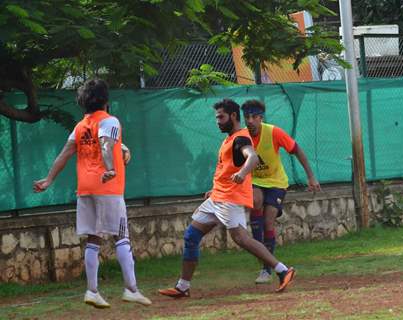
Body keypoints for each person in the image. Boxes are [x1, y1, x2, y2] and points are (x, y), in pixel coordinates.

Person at [158, 99, 295, 298]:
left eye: (221, 117)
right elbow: (225, 169)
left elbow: (253, 157)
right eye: (216, 118)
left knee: (242, 239)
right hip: (217, 198)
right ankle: (183, 286)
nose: (217, 121)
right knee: (191, 236)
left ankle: (283, 270)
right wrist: (213, 190)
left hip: (230, 199)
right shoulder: (229, 139)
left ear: (232, 116)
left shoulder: (240, 138)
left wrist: (242, 174)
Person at [33, 79, 151, 308]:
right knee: (121, 236)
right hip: (107, 188)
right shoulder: (110, 121)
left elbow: (64, 155)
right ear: (106, 100)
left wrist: (48, 179)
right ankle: (131, 289)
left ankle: (92, 290)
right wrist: (109, 168)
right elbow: (106, 144)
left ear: (82, 103)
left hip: (85, 189)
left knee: (93, 239)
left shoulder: (80, 127)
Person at [241, 99, 321, 284]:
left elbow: (296, 149)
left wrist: (311, 176)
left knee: (269, 221)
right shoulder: (241, 136)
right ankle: (261, 256)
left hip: (277, 182)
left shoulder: (274, 132)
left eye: (254, 117)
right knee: (255, 200)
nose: (250, 121)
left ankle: (266, 268)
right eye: (247, 117)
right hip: (256, 181)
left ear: (261, 118)